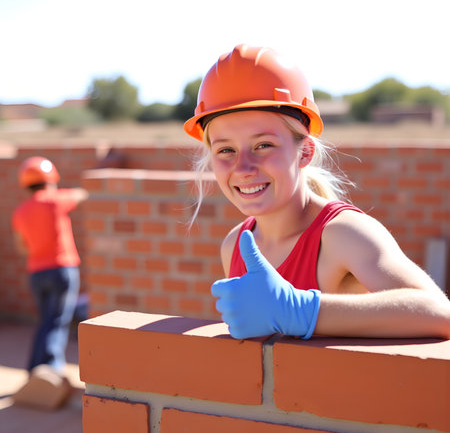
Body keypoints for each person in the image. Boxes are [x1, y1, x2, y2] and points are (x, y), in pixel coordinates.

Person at [183, 44, 450, 340]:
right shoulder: (234, 245)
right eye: (226, 150)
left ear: (305, 151)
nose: (243, 167)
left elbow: (439, 313)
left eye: (263, 145)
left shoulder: (342, 234)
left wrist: (300, 311)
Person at [12, 156, 88, 408]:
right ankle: (51, 373)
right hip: (62, 270)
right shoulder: (56, 200)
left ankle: (34, 369)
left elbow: (21, 247)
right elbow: (82, 194)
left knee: (45, 321)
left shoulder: (21, 211)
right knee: (57, 322)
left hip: (37, 272)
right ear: (51, 179)